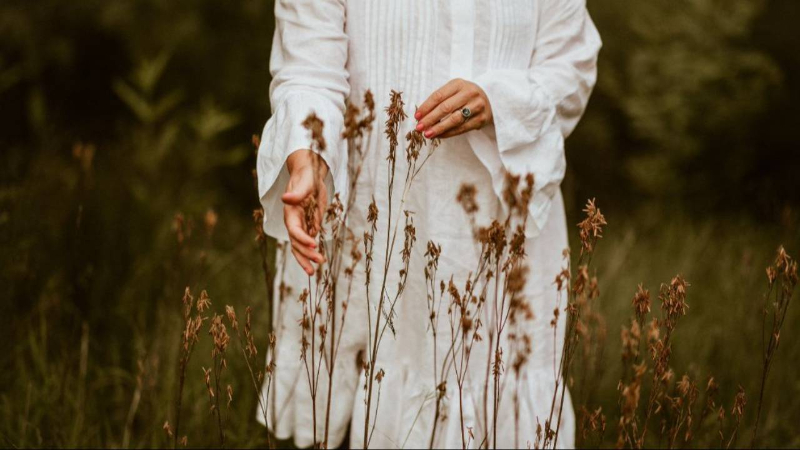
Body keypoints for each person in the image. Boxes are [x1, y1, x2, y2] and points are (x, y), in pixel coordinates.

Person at [255, 0, 601, 448]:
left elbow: (571, 67)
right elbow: (308, 66)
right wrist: (308, 157)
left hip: (494, 232)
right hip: (370, 226)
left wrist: (499, 100)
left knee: (487, 392)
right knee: (360, 401)